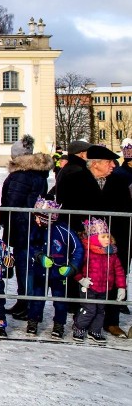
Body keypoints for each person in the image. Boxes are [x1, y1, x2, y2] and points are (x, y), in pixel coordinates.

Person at [56, 144, 132, 337]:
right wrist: (79, 233)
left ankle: (111, 321)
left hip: (112, 241)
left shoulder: (119, 182)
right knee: (83, 277)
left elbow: (124, 211)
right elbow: (66, 207)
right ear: (95, 163)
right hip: (84, 240)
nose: (113, 165)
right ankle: (80, 318)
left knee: (112, 278)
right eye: (108, 162)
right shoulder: (75, 179)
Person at [0, 134, 52, 318]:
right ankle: (23, 301)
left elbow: (13, 201)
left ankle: (27, 305)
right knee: (27, 266)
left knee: (24, 266)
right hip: (32, 226)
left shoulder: (21, 175)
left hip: (22, 226)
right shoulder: (38, 173)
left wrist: (2, 217)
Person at [24, 197, 83, 338]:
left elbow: (78, 249)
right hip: (40, 271)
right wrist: (39, 256)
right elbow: (30, 245)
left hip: (58, 273)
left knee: (60, 301)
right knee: (37, 298)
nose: (36, 220)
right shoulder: (35, 229)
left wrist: (73, 267)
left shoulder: (64, 230)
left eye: (39, 218)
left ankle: (59, 324)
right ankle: (33, 321)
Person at [73, 218, 128, 343]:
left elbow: (119, 271)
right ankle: (79, 327)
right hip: (89, 286)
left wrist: (121, 287)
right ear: (93, 238)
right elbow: (76, 267)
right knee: (89, 309)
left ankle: (95, 331)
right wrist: (81, 279)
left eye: (108, 236)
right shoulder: (87, 252)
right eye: (103, 236)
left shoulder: (112, 254)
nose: (107, 239)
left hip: (104, 288)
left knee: (100, 310)